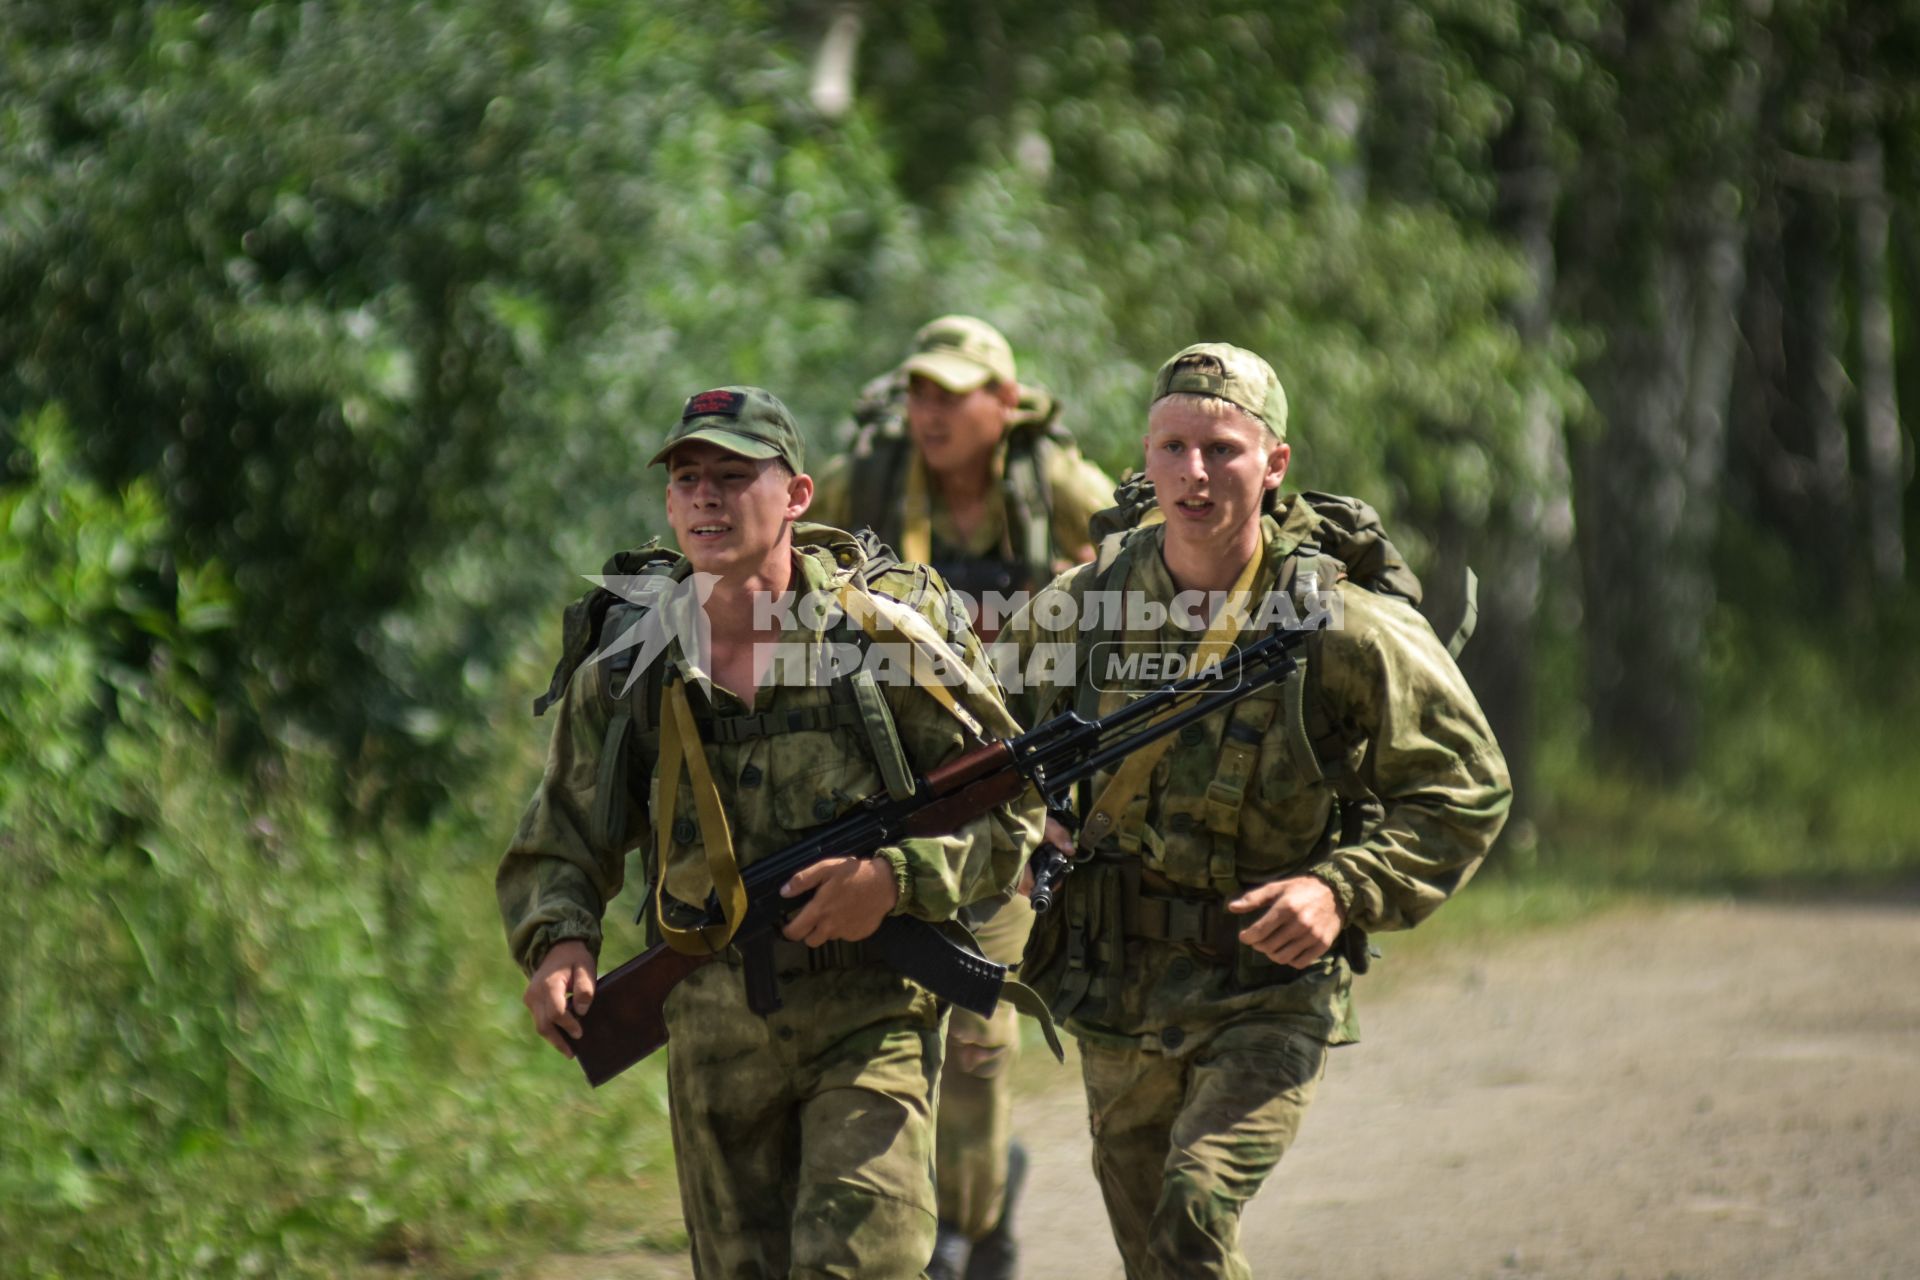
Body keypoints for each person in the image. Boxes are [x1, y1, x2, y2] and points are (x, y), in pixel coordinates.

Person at [497, 386, 1043, 1278]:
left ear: (796, 496)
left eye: (733, 475)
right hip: (714, 1035)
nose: (707, 497)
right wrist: (559, 942)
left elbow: (1011, 811)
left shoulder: (883, 642)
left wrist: (893, 883)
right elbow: (560, 834)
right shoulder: (630, 667)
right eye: (688, 479)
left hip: (869, 1016)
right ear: (670, 504)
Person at [995, 344, 1512, 1280]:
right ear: (1145, 459)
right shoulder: (1080, 611)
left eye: (1223, 449)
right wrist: (1030, 822)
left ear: (1274, 464)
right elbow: (981, 760)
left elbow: (1467, 785)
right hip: (1119, 982)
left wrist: (1340, 889)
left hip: (1269, 984)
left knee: (1193, 1214)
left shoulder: (1342, 625)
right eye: (1173, 447)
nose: (1195, 474)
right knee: (1155, 1256)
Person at [812, 316, 1114, 1278]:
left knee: (981, 1031)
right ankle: (930, 1212)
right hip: (887, 786)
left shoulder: (1054, 488)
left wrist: (1085, 597)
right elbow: (776, 546)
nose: (931, 413)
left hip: (1009, 793)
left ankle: (965, 1236)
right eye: (920, 394)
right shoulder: (868, 480)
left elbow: (1146, 570)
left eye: (953, 394)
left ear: (1004, 403)